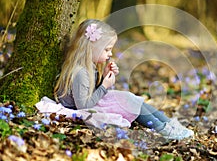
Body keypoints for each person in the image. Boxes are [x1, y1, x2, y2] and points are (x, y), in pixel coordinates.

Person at [53, 19, 194, 140]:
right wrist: (104, 86)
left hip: (93, 102)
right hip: (87, 108)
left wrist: (104, 76)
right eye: (107, 50)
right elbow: (84, 106)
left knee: (132, 99)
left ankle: (169, 123)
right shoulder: (81, 72)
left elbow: (89, 90)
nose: (110, 53)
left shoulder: (89, 66)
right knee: (129, 103)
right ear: (91, 48)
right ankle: (164, 129)